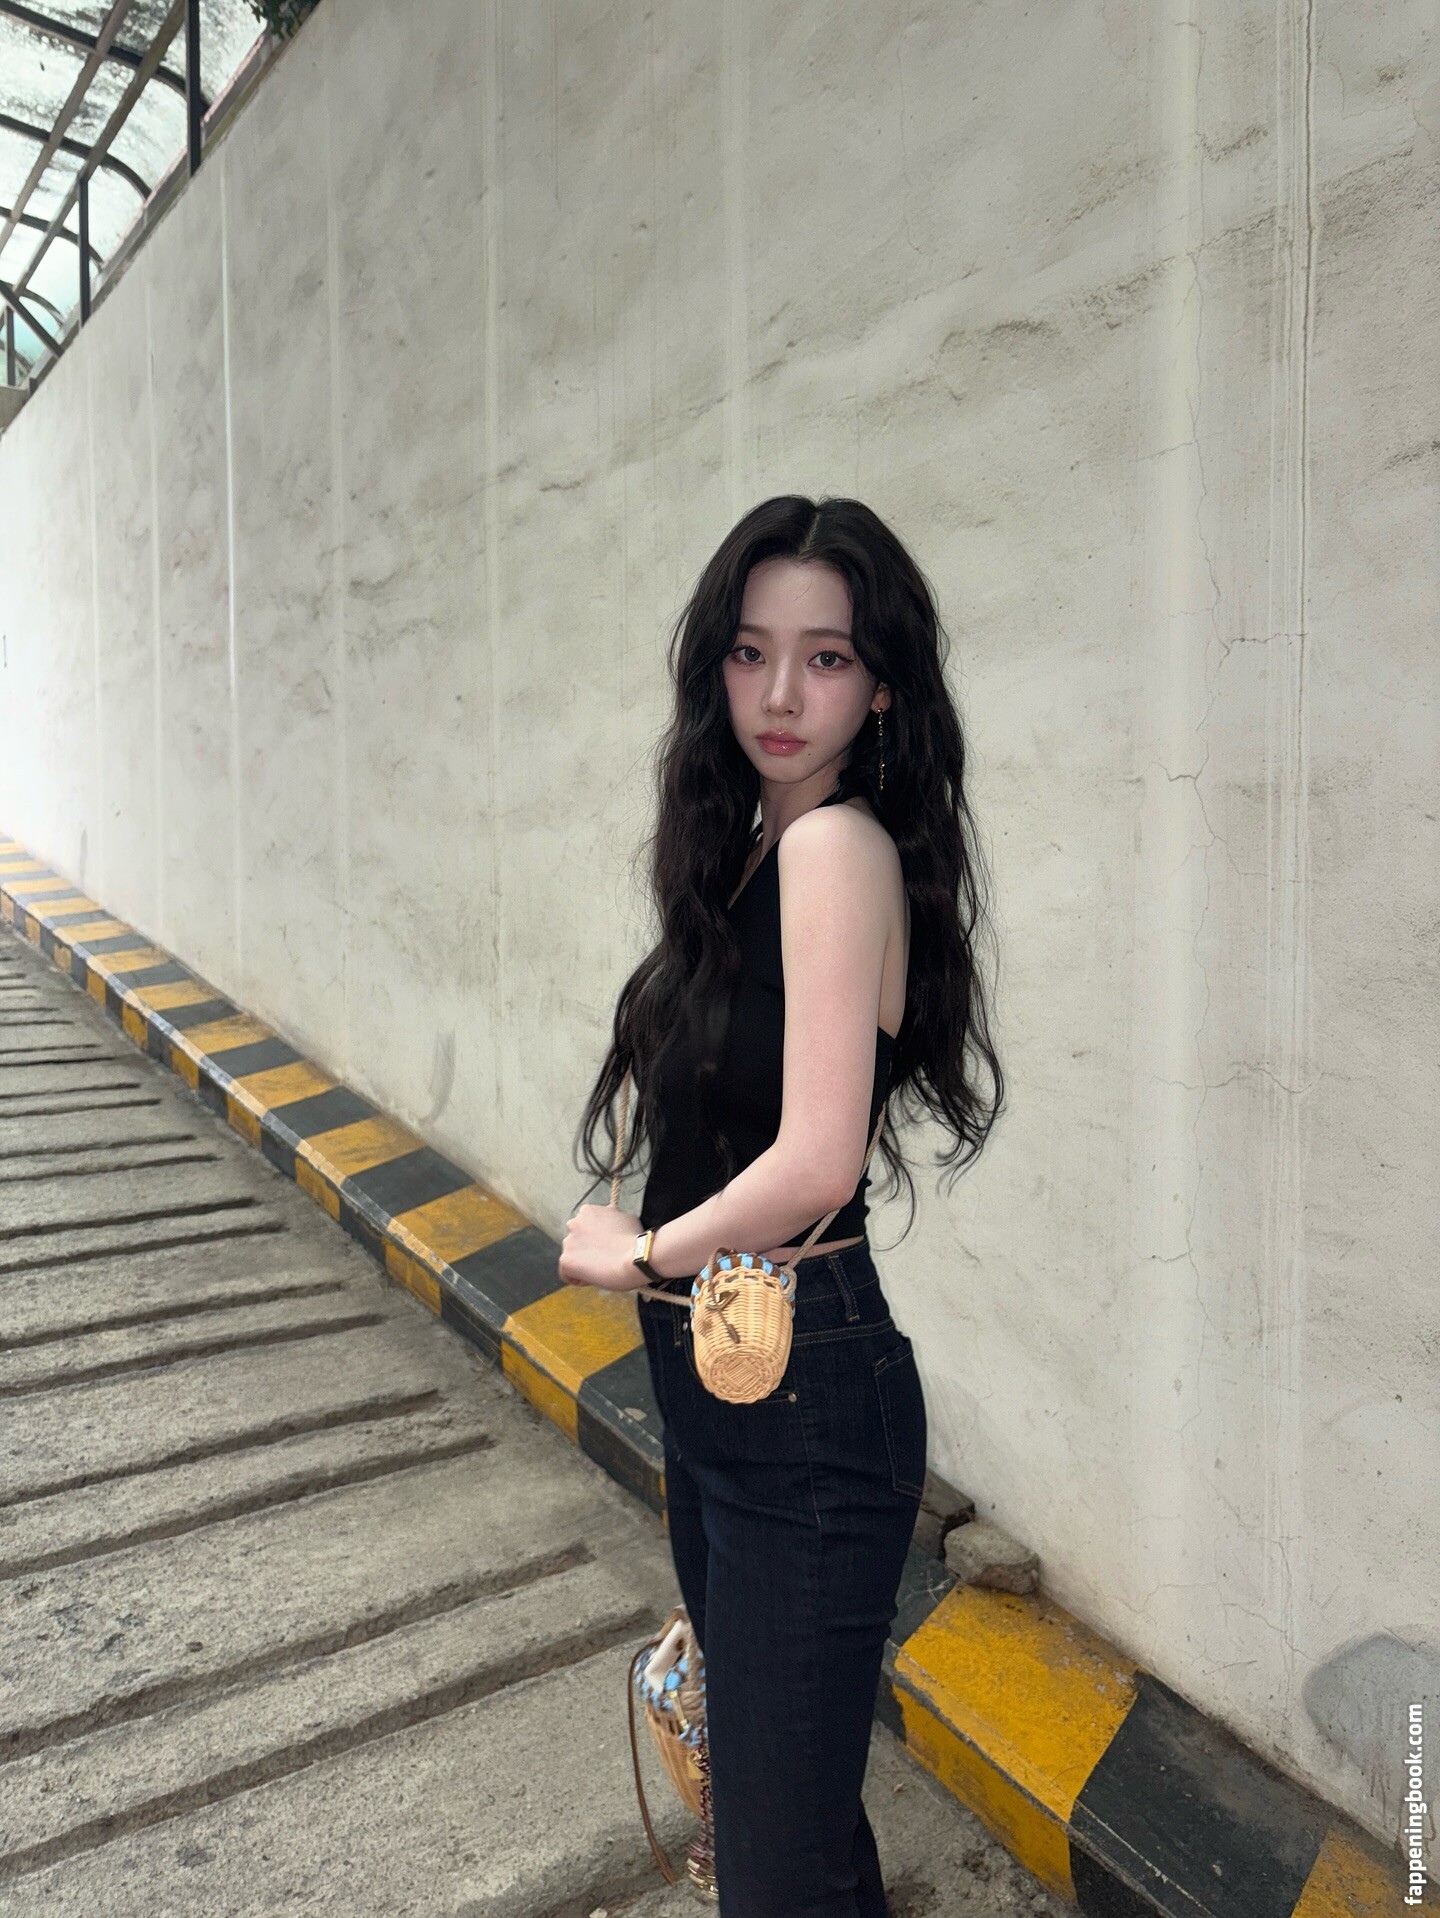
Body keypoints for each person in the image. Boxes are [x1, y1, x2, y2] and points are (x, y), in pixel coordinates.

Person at [560, 495, 1003, 1916]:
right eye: (752, 653)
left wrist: (640, 1251)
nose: (780, 695)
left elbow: (816, 1160)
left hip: (802, 1392)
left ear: (882, 687)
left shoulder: (831, 850)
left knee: (777, 1864)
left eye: (826, 658)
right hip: (729, 1372)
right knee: (787, 1828)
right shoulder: (762, 845)